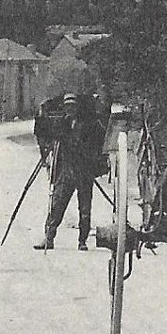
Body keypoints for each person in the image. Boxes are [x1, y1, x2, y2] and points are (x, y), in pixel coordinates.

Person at [34, 91, 108, 250]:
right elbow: (44, 131)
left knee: (85, 208)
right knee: (57, 205)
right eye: (67, 107)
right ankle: (49, 238)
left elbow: (99, 140)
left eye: (72, 107)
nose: (70, 110)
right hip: (66, 172)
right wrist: (41, 114)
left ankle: (82, 241)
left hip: (84, 171)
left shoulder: (88, 125)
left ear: (77, 108)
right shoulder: (61, 124)